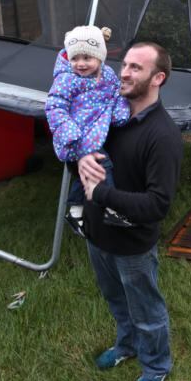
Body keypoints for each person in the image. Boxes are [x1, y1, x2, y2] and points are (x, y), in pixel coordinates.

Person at [77, 41, 183, 381]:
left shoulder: (163, 136)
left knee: (147, 312)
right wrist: (78, 160)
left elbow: (157, 206)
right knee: (116, 300)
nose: (124, 72)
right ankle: (126, 346)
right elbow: (81, 148)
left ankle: (155, 369)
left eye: (137, 67)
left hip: (132, 245)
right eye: (125, 65)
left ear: (158, 78)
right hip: (98, 234)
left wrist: (102, 194)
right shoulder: (110, 113)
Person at [45, 25, 130, 237]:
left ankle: (75, 209)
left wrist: (120, 112)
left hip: (96, 132)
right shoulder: (66, 79)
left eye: (87, 58)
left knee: (86, 173)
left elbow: (117, 94)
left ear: (100, 57)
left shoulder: (108, 75)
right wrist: (70, 133)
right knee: (103, 165)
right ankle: (111, 207)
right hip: (77, 137)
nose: (80, 64)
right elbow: (54, 107)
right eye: (75, 59)